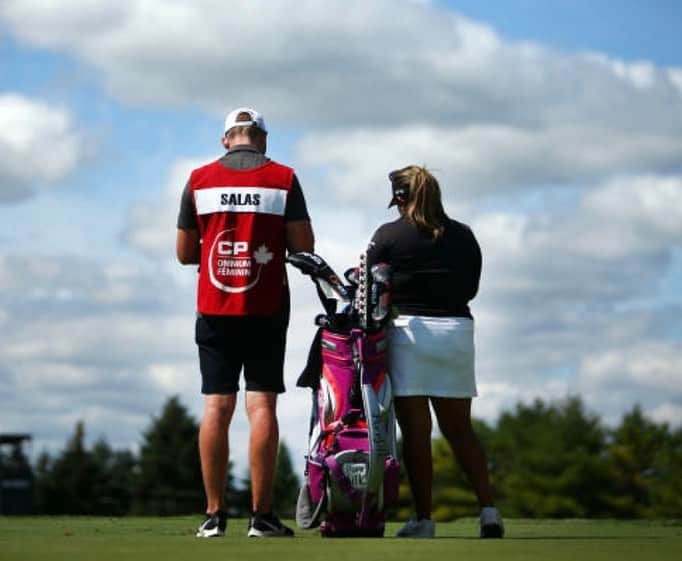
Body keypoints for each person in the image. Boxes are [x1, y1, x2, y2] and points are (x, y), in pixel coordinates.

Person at [176, 107, 314, 538]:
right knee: (262, 405)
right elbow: (303, 245)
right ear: (263, 138)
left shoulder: (198, 179)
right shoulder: (285, 178)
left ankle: (214, 516)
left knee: (216, 404)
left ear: (225, 140)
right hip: (266, 305)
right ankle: (262, 517)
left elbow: (184, 253)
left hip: (214, 305)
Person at [366, 165, 503, 539]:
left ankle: (424, 519)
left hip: (409, 334)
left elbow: (370, 290)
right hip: (457, 333)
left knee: (416, 432)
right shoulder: (464, 234)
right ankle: (489, 511)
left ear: (399, 197)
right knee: (460, 430)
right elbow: (471, 289)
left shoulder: (388, 235)